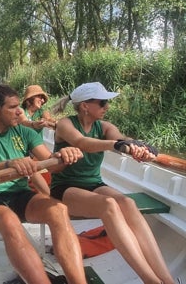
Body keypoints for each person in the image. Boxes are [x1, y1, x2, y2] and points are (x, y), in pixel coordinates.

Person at [51, 82, 174, 284]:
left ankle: (166, 279)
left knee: (128, 203)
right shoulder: (66, 124)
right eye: (102, 102)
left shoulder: (105, 127)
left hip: (94, 184)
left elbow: (120, 138)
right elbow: (84, 144)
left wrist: (137, 147)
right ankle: (151, 280)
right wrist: (116, 145)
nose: (106, 107)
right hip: (65, 187)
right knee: (109, 205)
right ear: (84, 106)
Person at [0, 84, 87, 284]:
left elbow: (51, 163)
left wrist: (64, 154)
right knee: (11, 223)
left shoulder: (25, 132)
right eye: (12, 107)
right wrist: (10, 163)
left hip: (20, 193)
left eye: (18, 106)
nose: (19, 111)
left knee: (59, 210)